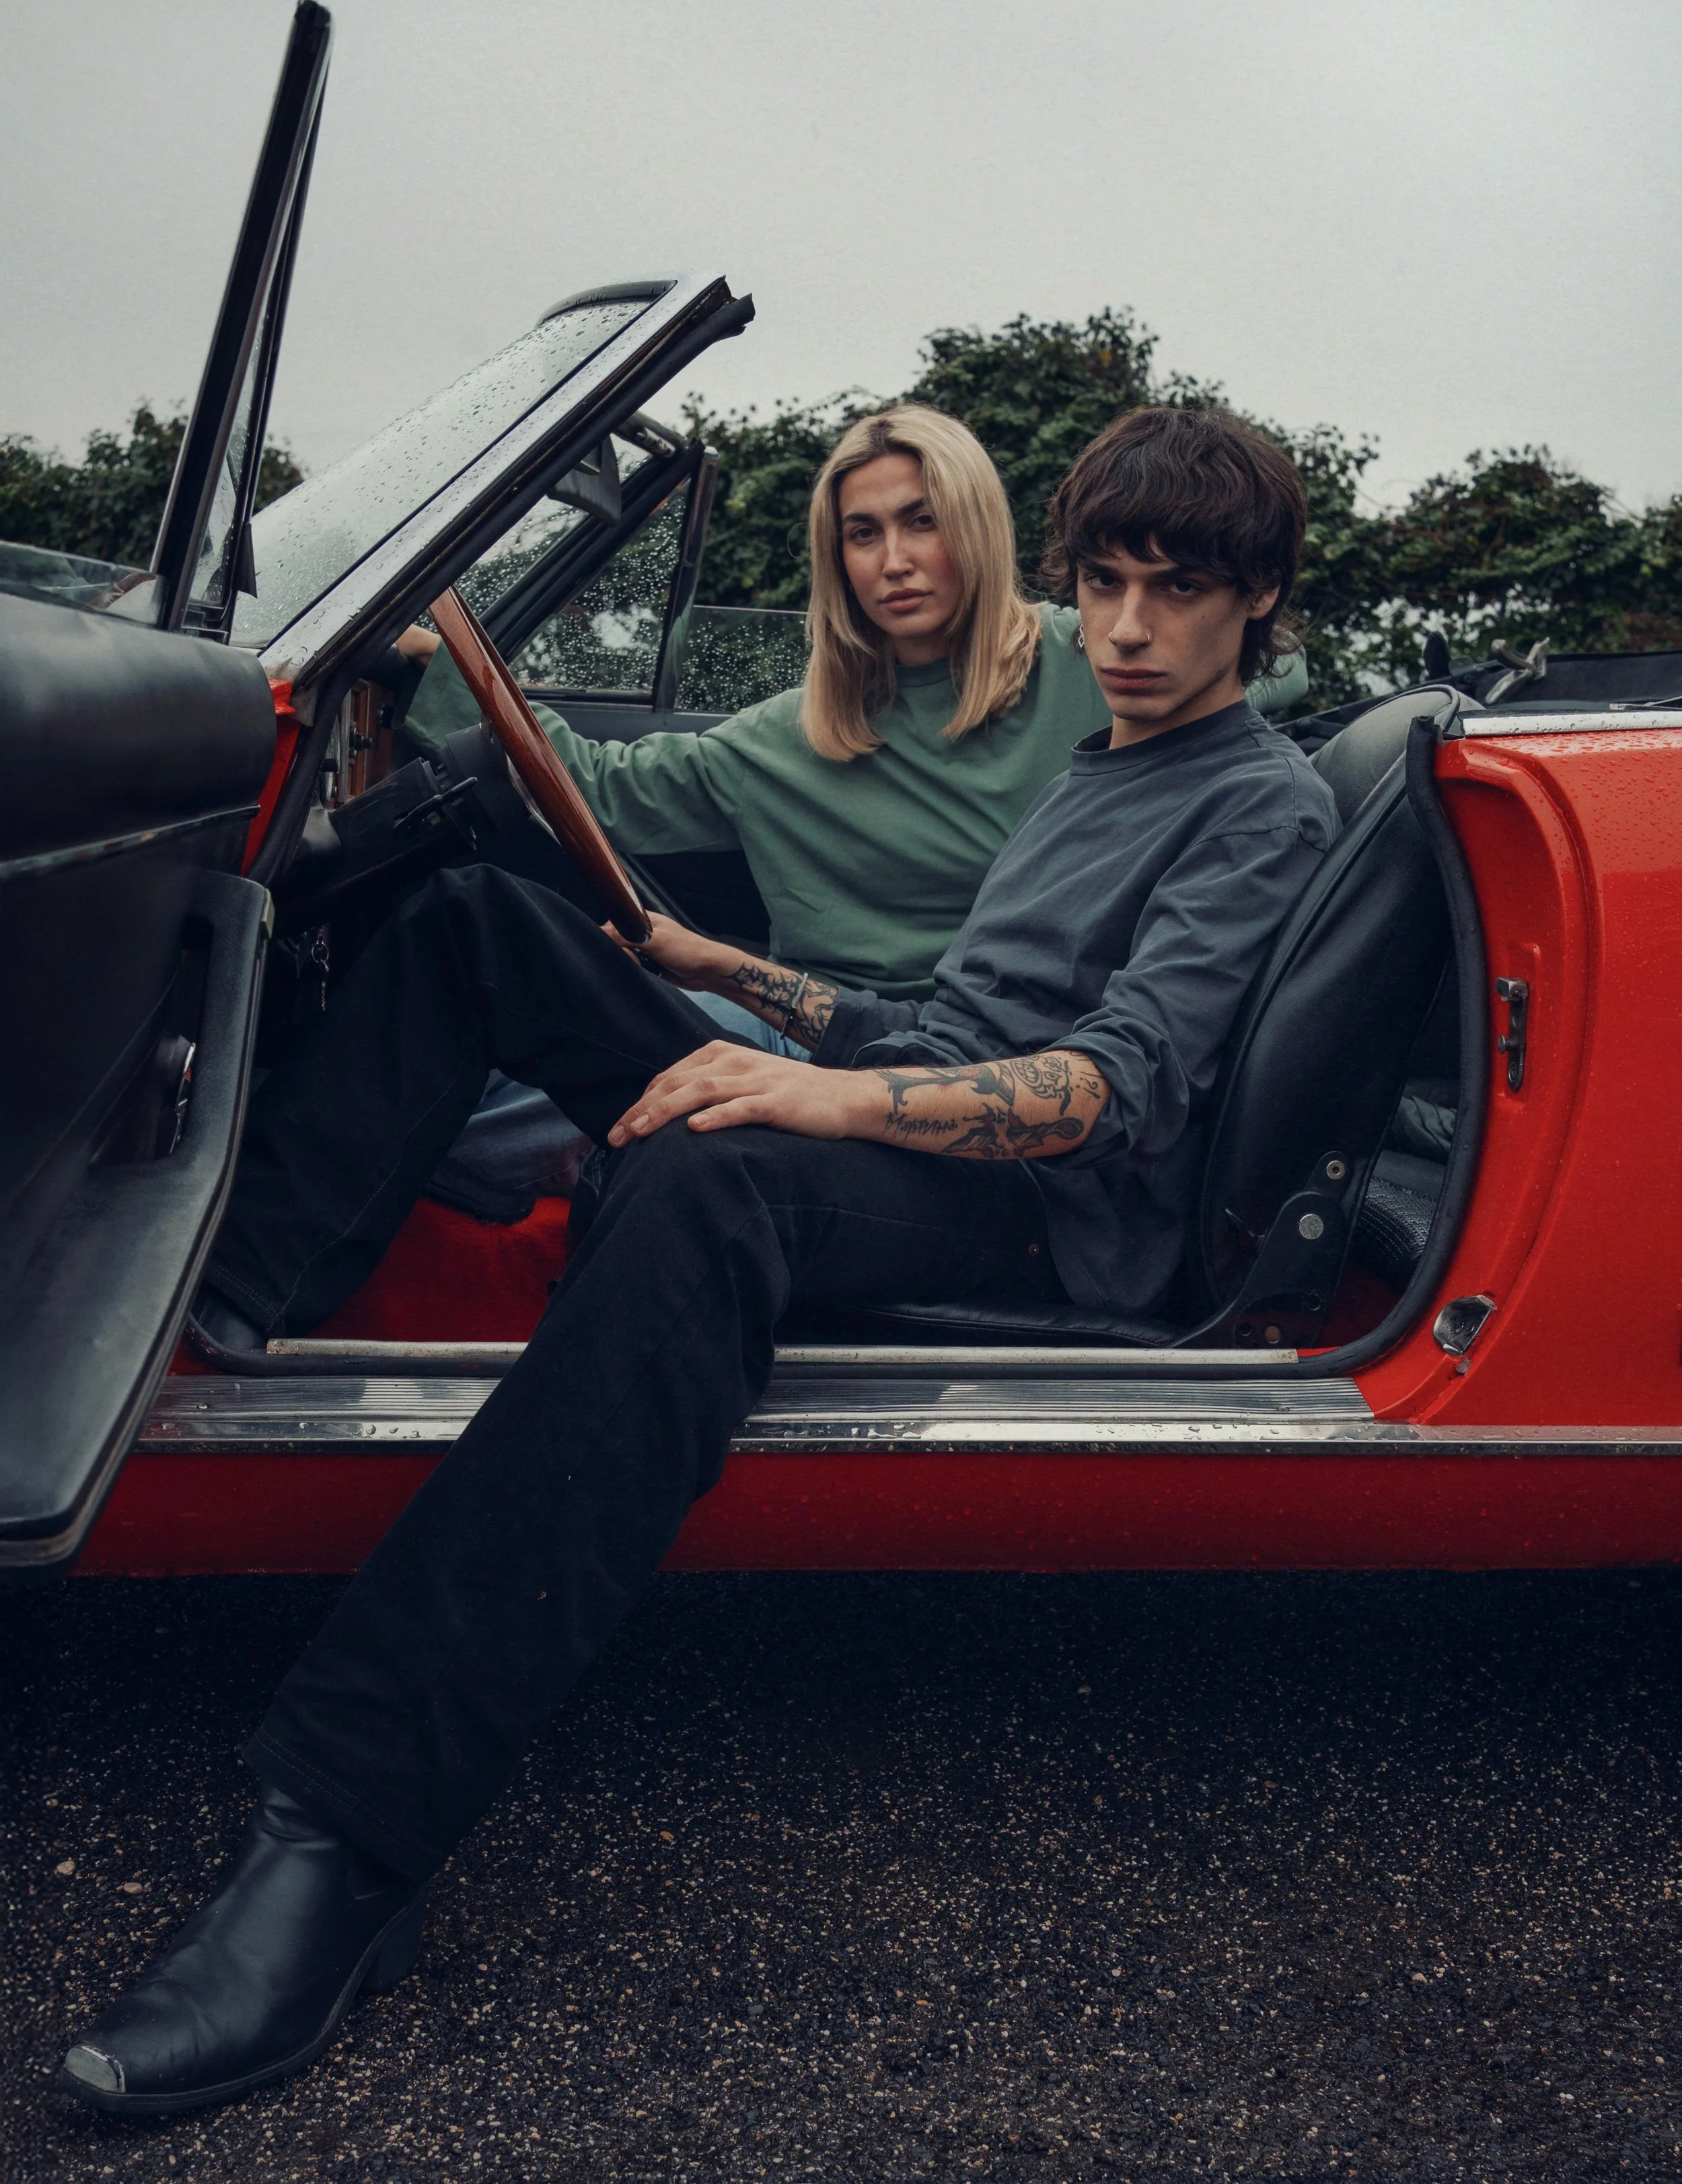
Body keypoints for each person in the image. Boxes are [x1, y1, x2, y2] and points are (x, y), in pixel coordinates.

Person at [60, 405, 1338, 2115]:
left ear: (1259, 602)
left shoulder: (1251, 802)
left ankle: (343, 1844)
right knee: (480, 925)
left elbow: (1103, 1091)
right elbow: (945, 1008)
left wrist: (818, 1095)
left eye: (1175, 591)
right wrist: (731, 973)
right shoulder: (1110, 760)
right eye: (1100, 583)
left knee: (703, 1173)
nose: (1121, 629)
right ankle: (233, 1306)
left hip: (1041, 1208)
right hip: (920, 1102)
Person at [404, 404, 1307, 1213]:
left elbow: (1252, 689)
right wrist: (425, 665)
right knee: (491, 981)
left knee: (615, 1081)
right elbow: (595, 788)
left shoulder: (1097, 657)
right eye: (862, 533)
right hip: (846, 1024)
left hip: (1016, 1082)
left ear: (981, 530)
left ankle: (524, 1179)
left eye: (925, 522)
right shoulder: (786, 735)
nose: (896, 560)